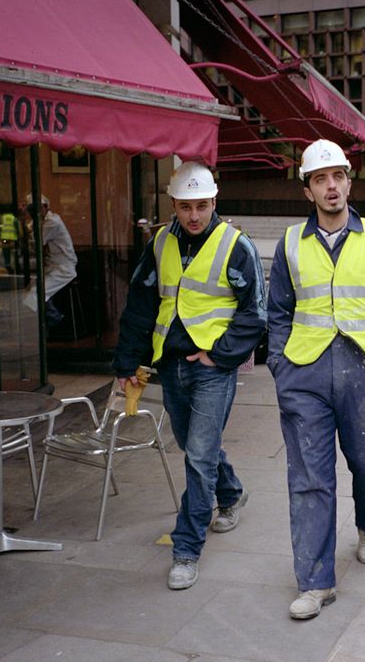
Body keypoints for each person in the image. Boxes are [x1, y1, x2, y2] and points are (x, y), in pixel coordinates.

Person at [267, 139, 365, 620]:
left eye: (338, 177)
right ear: (307, 190)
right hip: (305, 373)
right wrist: (281, 366)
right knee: (310, 478)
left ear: (349, 181)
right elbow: (278, 313)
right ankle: (315, 582)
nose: (331, 187)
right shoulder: (290, 243)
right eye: (319, 179)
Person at [112, 162, 267, 591]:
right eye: (185, 207)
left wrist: (219, 356)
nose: (194, 215)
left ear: (214, 202)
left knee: (198, 455)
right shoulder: (160, 242)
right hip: (170, 364)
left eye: (201, 206)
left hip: (213, 370)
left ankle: (186, 548)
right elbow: (141, 306)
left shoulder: (236, 245)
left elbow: (256, 312)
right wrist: (127, 363)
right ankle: (231, 493)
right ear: (173, 206)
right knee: (193, 445)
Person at [21, 194, 77, 329]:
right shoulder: (40, 220)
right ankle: (50, 320)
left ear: (45, 207)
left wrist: (25, 220)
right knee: (30, 292)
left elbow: (36, 242)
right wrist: (23, 219)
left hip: (63, 268)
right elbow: (28, 233)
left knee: (36, 293)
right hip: (52, 266)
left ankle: (55, 320)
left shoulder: (53, 222)